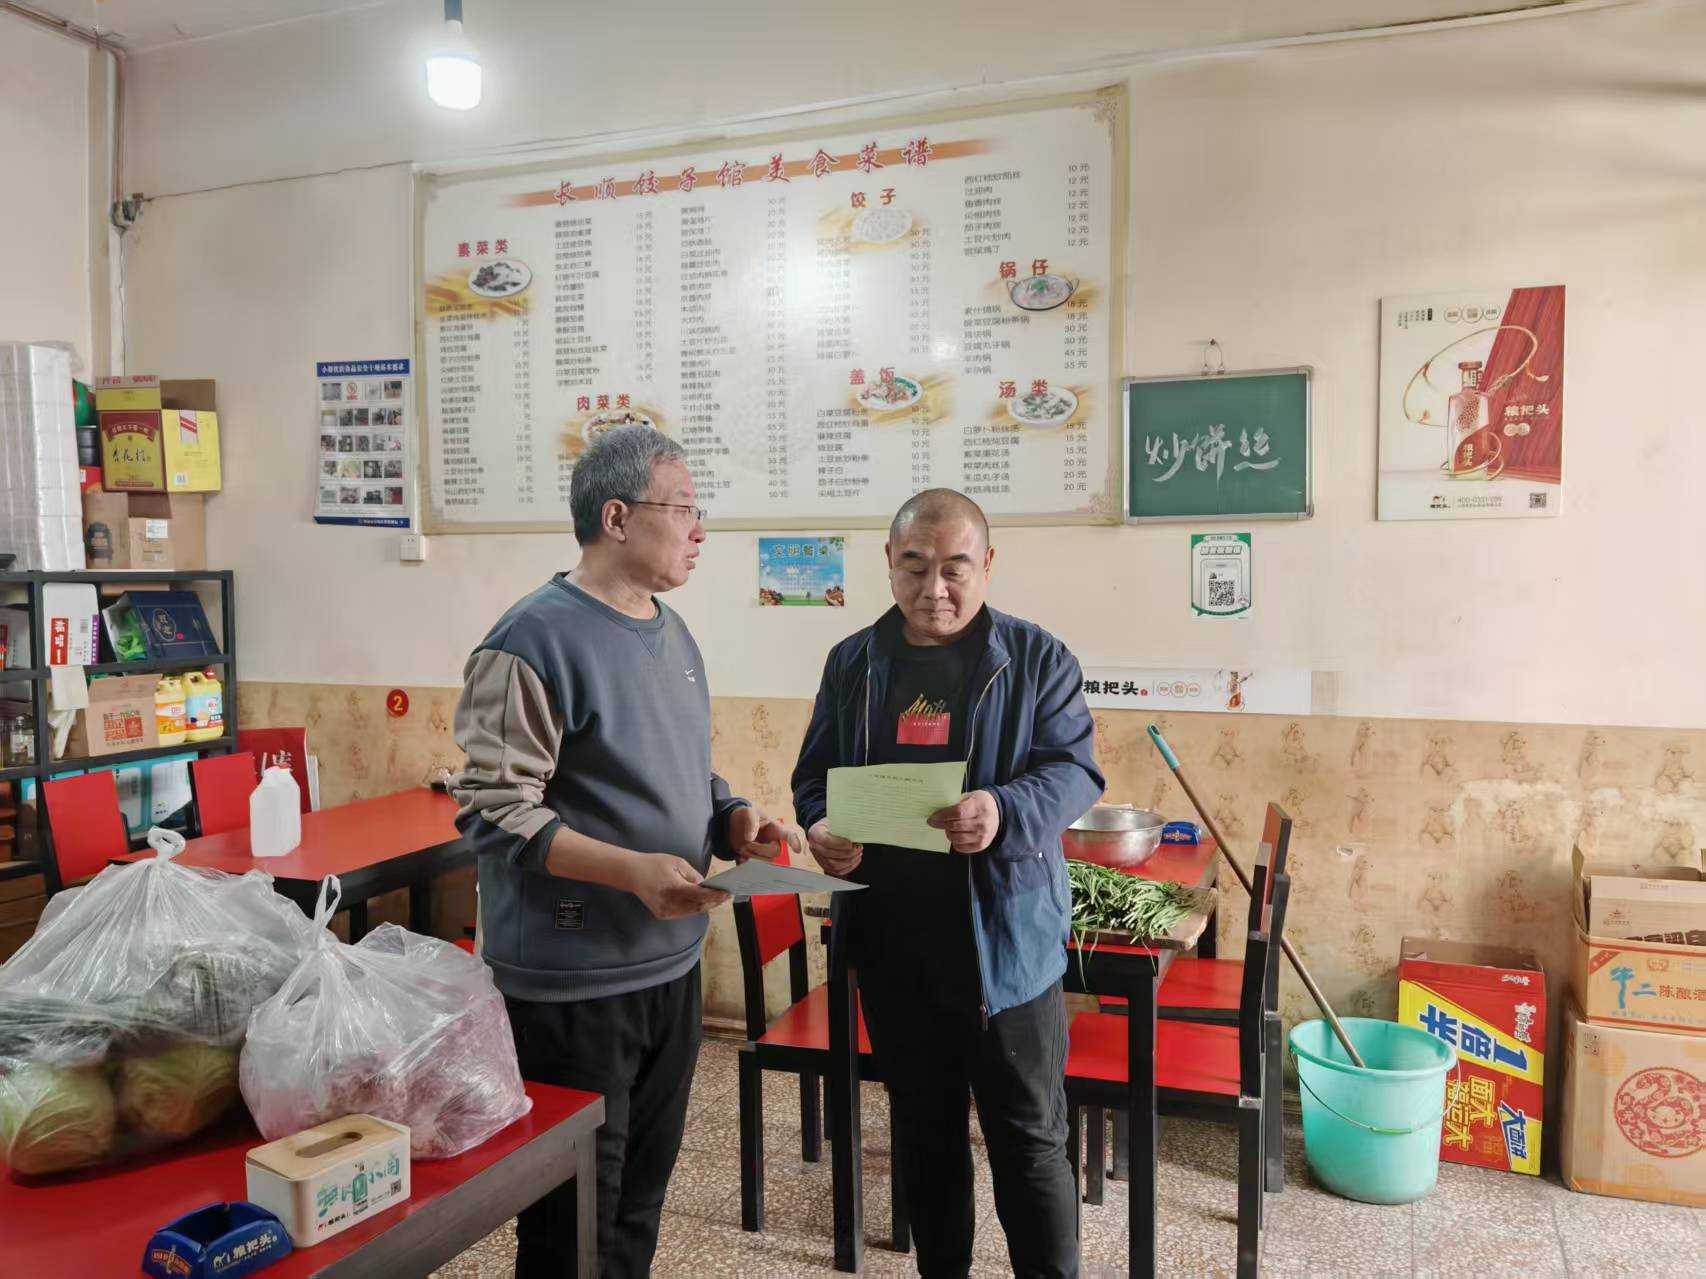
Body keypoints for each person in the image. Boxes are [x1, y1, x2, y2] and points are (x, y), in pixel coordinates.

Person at [452, 425, 799, 1278]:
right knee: (573, 1223)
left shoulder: (672, 632)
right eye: (681, 509)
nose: (699, 530)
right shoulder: (530, 640)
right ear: (616, 517)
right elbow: (494, 812)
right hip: (572, 985)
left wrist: (733, 818)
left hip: (669, 966)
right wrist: (631, 872)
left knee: (639, 1204)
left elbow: (681, 770)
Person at [791, 488, 1103, 1279]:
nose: (935, 588)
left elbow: (1075, 770)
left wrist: (1003, 809)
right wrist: (820, 824)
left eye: (956, 568)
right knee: (925, 1136)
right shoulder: (853, 662)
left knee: (1030, 1142)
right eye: (915, 566)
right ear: (889, 564)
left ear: (987, 565)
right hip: (894, 951)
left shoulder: (1037, 659)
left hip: (1007, 951)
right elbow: (814, 776)